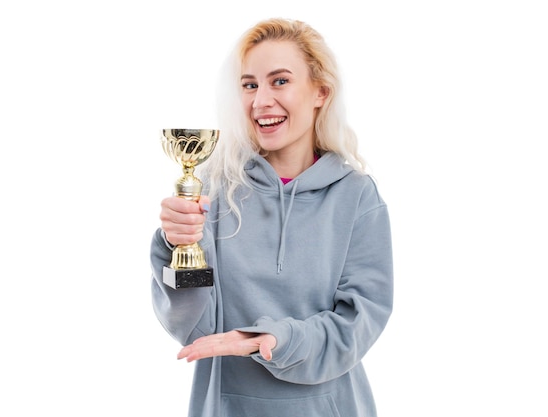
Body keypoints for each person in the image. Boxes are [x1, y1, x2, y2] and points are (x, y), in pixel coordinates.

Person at [150, 17, 393, 417]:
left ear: (320, 92)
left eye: (280, 81)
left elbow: (356, 328)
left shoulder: (357, 196)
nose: (260, 101)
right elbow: (195, 332)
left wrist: (267, 338)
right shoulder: (214, 189)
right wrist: (177, 245)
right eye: (249, 85)